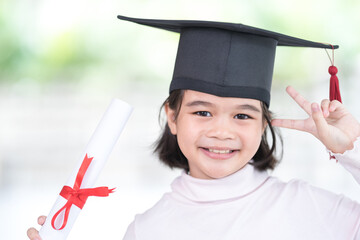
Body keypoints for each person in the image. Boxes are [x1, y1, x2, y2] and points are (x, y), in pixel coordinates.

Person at [27, 16, 360, 239]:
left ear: (264, 126)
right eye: (202, 112)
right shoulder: (147, 231)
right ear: (172, 116)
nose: (221, 131)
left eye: (242, 116)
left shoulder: (310, 208)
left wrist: (351, 148)